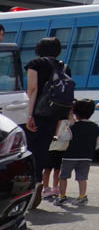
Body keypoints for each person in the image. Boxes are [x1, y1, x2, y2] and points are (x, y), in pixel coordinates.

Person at [25, 36, 72, 209]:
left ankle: (31, 186)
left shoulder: (35, 64)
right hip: (53, 116)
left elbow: (32, 89)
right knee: (42, 151)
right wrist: (58, 125)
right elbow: (64, 99)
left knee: (28, 151)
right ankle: (38, 184)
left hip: (36, 113)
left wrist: (29, 115)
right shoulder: (64, 67)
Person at [54, 99, 99, 206]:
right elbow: (98, 144)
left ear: (75, 112)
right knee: (82, 178)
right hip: (87, 157)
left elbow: (63, 138)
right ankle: (82, 196)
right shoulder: (95, 126)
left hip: (70, 156)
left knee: (63, 177)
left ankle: (62, 197)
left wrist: (66, 123)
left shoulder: (72, 126)